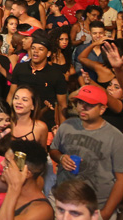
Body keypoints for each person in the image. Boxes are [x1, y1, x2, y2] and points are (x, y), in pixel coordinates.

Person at [49, 84, 123, 219]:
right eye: (80, 102)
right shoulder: (67, 125)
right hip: (63, 201)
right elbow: (53, 150)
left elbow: (121, 180)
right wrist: (61, 158)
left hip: (95, 207)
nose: (82, 107)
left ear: (102, 109)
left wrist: (105, 213)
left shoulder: (115, 137)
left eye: (89, 104)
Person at [0, 130, 54, 220]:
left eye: (7, 162)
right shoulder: (8, 186)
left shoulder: (42, 210)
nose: (2, 163)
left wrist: (13, 187)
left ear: (26, 173)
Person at [7, 31, 68, 129]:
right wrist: (8, 118)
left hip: (45, 124)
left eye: (40, 49)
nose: (35, 51)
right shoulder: (20, 68)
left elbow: (62, 105)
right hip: (19, 122)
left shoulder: (56, 75)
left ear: (48, 53)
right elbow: (11, 94)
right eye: (33, 48)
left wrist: (63, 130)